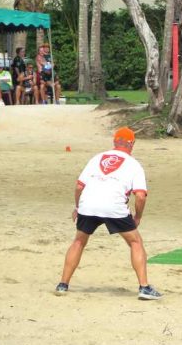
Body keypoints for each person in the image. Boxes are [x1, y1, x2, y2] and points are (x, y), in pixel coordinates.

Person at [55, 127, 162, 300]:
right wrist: (138, 216)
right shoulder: (134, 165)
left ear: (114, 142)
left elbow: (79, 187)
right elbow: (140, 196)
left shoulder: (96, 158)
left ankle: (63, 284)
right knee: (135, 242)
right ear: (132, 144)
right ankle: (144, 287)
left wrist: (78, 208)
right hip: (114, 206)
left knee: (79, 241)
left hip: (88, 205)